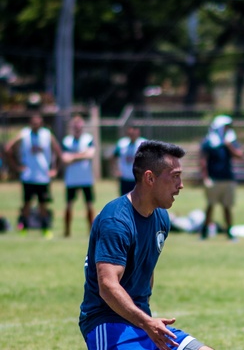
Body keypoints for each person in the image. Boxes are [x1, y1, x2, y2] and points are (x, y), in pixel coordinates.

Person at [79, 140, 213, 350]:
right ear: (150, 178)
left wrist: (146, 320)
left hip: (144, 323)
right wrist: (146, 322)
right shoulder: (116, 221)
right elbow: (107, 286)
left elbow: (146, 270)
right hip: (107, 323)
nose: (181, 185)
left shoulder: (161, 218)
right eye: (175, 177)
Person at [5, 113, 62, 239]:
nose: (35, 125)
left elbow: (58, 151)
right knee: (26, 204)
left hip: (43, 177)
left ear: (41, 123)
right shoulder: (24, 134)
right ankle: (23, 227)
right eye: (33, 123)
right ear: (30, 123)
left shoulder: (47, 135)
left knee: (43, 205)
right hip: (28, 177)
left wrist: (55, 169)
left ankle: (45, 228)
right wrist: (16, 167)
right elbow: (8, 148)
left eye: (38, 123)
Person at [199, 115, 243, 241]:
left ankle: (229, 232)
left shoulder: (230, 141)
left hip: (227, 178)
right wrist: (205, 177)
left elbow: (239, 155)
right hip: (214, 178)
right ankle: (204, 232)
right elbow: (203, 160)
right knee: (210, 206)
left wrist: (229, 145)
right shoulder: (209, 141)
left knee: (227, 207)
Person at [62, 115, 96, 237]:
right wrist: (82, 154)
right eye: (75, 126)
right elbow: (65, 159)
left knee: (89, 205)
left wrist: (73, 156)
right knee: (69, 205)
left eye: (79, 126)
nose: (77, 128)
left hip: (86, 178)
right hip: (71, 179)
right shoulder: (67, 140)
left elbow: (91, 154)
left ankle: (91, 231)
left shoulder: (88, 139)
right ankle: (67, 232)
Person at [113, 125, 146, 196]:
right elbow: (114, 157)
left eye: (134, 133)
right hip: (125, 177)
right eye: (130, 133)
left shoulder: (143, 144)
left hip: (139, 178)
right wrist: (116, 170)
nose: (132, 135)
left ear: (138, 133)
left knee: (139, 200)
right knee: (124, 200)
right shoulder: (122, 143)